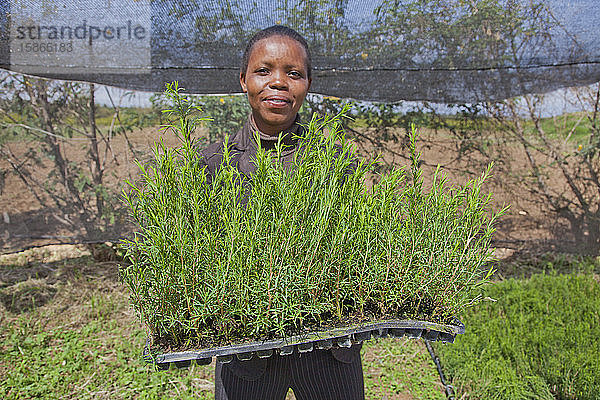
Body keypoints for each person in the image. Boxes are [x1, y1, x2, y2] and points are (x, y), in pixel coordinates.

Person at [197, 25, 365, 400]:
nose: (278, 82)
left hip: (328, 349)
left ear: (307, 83)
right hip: (245, 353)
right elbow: (198, 253)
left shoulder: (333, 162)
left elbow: (357, 246)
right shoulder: (212, 162)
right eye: (263, 71)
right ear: (243, 80)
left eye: (293, 73)